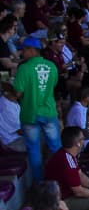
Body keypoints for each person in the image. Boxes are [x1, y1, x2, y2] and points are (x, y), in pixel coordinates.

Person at [13, 36, 60, 181]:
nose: (22, 53)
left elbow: (18, 93)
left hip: (30, 114)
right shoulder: (52, 66)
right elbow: (53, 86)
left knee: (34, 150)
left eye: (24, 50)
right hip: (49, 112)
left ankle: (40, 184)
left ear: (32, 50)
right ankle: (60, 181)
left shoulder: (24, 68)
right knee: (56, 149)